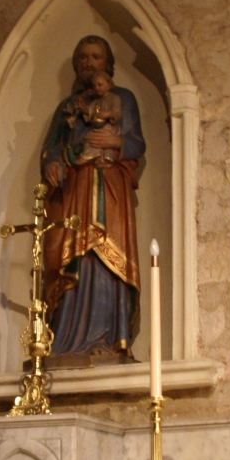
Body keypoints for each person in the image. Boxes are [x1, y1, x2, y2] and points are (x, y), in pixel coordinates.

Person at [41, 35, 145, 358]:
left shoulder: (122, 98)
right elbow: (51, 149)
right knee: (75, 256)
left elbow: (137, 143)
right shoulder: (67, 108)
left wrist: (115, 143)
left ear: (108, 64)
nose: (89, 63)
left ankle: (111, 338)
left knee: (104, 256)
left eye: (96, 57)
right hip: (76, 188)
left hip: (111, 185)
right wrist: (53, 165)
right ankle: (68, 342)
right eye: (83, 57)